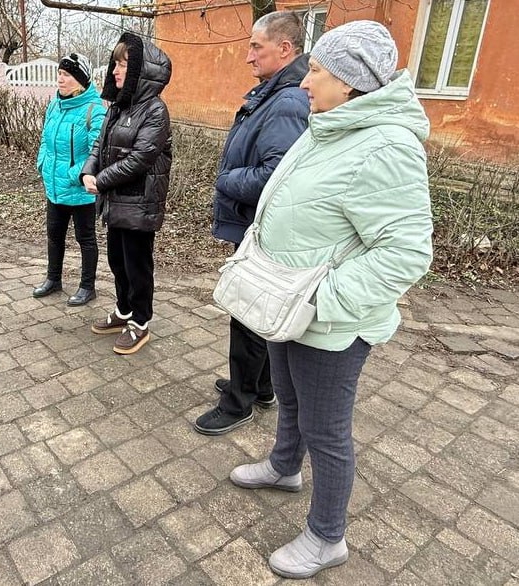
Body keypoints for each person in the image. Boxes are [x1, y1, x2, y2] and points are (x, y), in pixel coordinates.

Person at [228, 21, 434, 579]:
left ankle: (326, 537)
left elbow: (406, 253)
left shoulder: (386, 146)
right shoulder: (330, 126)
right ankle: (284, 467)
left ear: (348, 81)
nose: (303, 82)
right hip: (287, 303)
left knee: (327, 432)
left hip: (329, 319)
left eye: (315, 70)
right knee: (289, 399)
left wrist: (324, 299)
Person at [194, 11, 309, 435]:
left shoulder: (288, 102)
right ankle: (260, 387)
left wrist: (225, 179)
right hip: (257, 226)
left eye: (256, 47)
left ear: (285, 48)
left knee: (248, 313)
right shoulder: (276, 94)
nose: (248, 56)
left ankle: (238, 402)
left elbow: (275, 177)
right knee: (255, 312)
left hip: (262, 229)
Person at [81, 32, 172, 355]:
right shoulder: (118, 107)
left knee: (137, 266)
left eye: (123, 65)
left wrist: (100, 180)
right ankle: (124, 311)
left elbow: (140, 159)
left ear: (140, 70)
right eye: (115, 64)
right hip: (116, 201)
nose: (115, 71)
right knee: (117, 261)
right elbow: (100, 144)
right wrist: (88, 170)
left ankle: (140, 321)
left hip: (139, 202)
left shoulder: (155, 110)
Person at [33, 53, 106, 306]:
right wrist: (43, 164)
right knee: (54, 235)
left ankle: (87, 286)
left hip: (79, 190)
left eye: (66, 75)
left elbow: (97, 152)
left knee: (86, 239)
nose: (60, 79)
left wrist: (73, 174)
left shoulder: (94, 110)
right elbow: (45, 140)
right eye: (60, 74)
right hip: (54, 187)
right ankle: (53, 279)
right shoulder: (55, 105)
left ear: (81, 80)